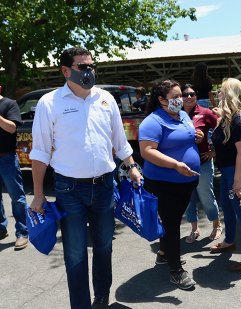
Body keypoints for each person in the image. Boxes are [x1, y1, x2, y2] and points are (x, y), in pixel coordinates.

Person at [29, 47, 141, 309]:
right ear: (66, 71)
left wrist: (132, 166)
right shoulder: (50, 103)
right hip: (69, 190)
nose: (89, 71)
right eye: (83, 66)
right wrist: (37, 193)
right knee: (75, 253)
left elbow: (119, 139)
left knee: (103, 246)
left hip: (104, 186)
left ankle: (101, 296)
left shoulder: (105, 99)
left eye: (91, 66)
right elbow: (40, 151)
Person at [139, 79, 201, 290]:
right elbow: (147, 151)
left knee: (171, 221)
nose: (180, 100)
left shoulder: (183, 115)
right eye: (175, 97)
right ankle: (176, 271)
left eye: (180, 96)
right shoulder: (153, 121)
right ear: (161, 99)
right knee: (172, 224)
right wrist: (175, 165)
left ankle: (164, 254)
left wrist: (196, 136)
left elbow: (183, 138)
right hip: (164, 183)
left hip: (186, 182)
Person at [209, 77, 241, 271]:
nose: (218, 94)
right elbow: (227, 146)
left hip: (239, 172)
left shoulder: (239, 119)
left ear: (229, 93)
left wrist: (237, 181)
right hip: (229, 170)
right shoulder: (229, 118)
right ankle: (229, 240)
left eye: (221, 91)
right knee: (228, 209)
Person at [181, 84, 222, 243]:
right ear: (181, 97)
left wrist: (214, 151)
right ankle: (194, 229)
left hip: (203, 163)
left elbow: (223, 132)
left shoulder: (205, 113)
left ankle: (216, 225)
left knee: (206, 196)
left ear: (197, 97)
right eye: (186, 94)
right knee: (188, 198)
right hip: (183, 165)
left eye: (192, 94)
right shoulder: (176, 115)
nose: (189, 97)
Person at [0, 85, 29, 250]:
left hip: (7, 158)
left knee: (17, 197)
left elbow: (12, 128)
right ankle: (1, 228)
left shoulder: (9, 104)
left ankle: (22, 233)